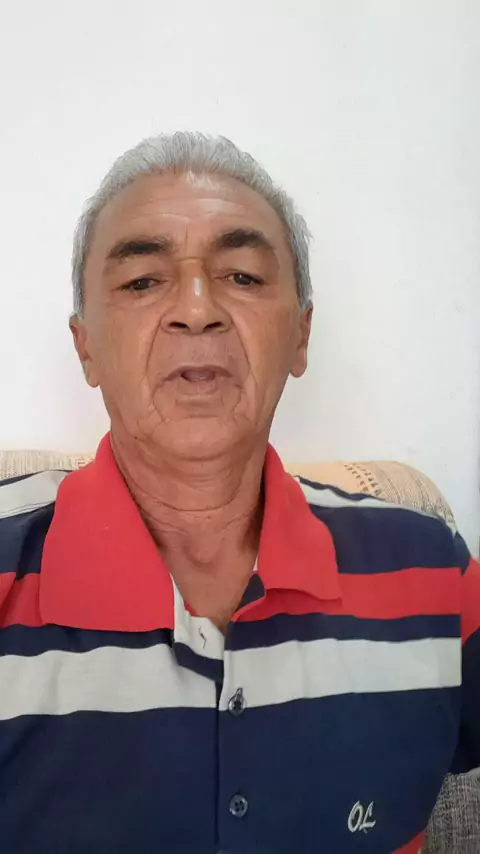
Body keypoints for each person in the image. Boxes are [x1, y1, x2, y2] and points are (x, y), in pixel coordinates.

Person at [0, 132, 478, 854]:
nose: (197, 309)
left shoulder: (432, 571)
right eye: (143, 281)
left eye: (243, 277)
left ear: (302, 336)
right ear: (85, 346)